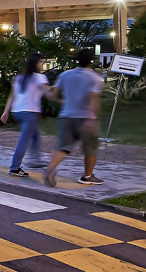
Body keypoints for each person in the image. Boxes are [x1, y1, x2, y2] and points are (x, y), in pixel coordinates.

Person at [44, 47, 105, 187]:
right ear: (91, 61)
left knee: (64, 147)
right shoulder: (95, 78)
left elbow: (53, 95)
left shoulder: (65, 75)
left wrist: (62, 101)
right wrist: (92, 118)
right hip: (86, 118)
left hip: (66, 116)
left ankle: (49, 170)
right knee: (90, 148)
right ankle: (87, 176)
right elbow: (94, 100)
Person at [1, 52, 49, 177]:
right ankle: (15, 168)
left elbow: (12, 96)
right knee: (24, 140)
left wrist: (6, 111)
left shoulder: (18, 78)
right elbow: (49, 94)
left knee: (35, 134)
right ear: (37, 64)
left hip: (17, 112)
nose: (41, 64)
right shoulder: (39, 78)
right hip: (30, 113)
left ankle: (35, 158)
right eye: (41, 62)